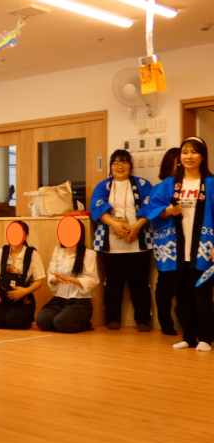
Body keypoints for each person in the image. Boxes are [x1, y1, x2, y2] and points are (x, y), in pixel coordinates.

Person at [141, 137, 214, 351]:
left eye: (193, 152)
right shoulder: (169, 184)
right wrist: (167, 211)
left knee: (202, 295)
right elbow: (151, 207)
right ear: (180, 157)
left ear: (202, 156)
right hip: (176, 250)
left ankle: (205, 338)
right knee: (182, 296)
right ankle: (189, 337)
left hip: (204, 248)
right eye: (185, 152)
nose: (188, 156)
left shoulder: (210, 183)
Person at [90, 150, 153, 331]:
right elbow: (96, 207)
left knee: (140, 282)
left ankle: (143, 320)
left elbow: (151, 205)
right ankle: (112, 319)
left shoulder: (142, 184)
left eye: (124, 162)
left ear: (130, 166)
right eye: (116, 163)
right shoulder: (103, 186)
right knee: (113, 283)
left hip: (137, 240)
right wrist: (114, 225)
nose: (120, 166)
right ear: (110, 166)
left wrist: (137, 226)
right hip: (111, 242)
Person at [37, 221, 99, 333]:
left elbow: (92, 280)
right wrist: (57, 278)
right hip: (59, 299)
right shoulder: (57, 252)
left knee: (61, 323)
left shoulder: (88, 254)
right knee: (42, 320)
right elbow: (51, 275)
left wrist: (69, 279)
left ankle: (81, 322)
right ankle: (60, 319)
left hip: (79, 301)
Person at [0, 221, 45, 330]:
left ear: (26, 235)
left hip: (22, 300)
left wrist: (24, 291)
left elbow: (39, 282)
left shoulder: (33, 255)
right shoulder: (0, 253)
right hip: (1, 299)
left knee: (14, 321)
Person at [154, 147, 181, 335]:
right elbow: (152, 214)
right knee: (165, 288)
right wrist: (167, 211)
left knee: (187, 290)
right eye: (178, 160)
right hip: (166, 244)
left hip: (190, 246)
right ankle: (166, 324)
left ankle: (190, 326)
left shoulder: (200, 185)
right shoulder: (161, 187)